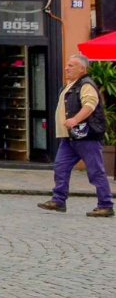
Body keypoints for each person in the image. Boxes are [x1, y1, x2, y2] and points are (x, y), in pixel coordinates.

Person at [39, 53, 113, 217]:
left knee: (95, 171)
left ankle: (106, 204)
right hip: (70, 137)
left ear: (82, 69)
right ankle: (58, 200)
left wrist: (74, 119)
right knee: (61, 168)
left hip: (86, 136)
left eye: (71, 65)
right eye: (67, 65)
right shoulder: (71, 85)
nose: (66, 68)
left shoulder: (86, 85)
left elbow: (90, 105)